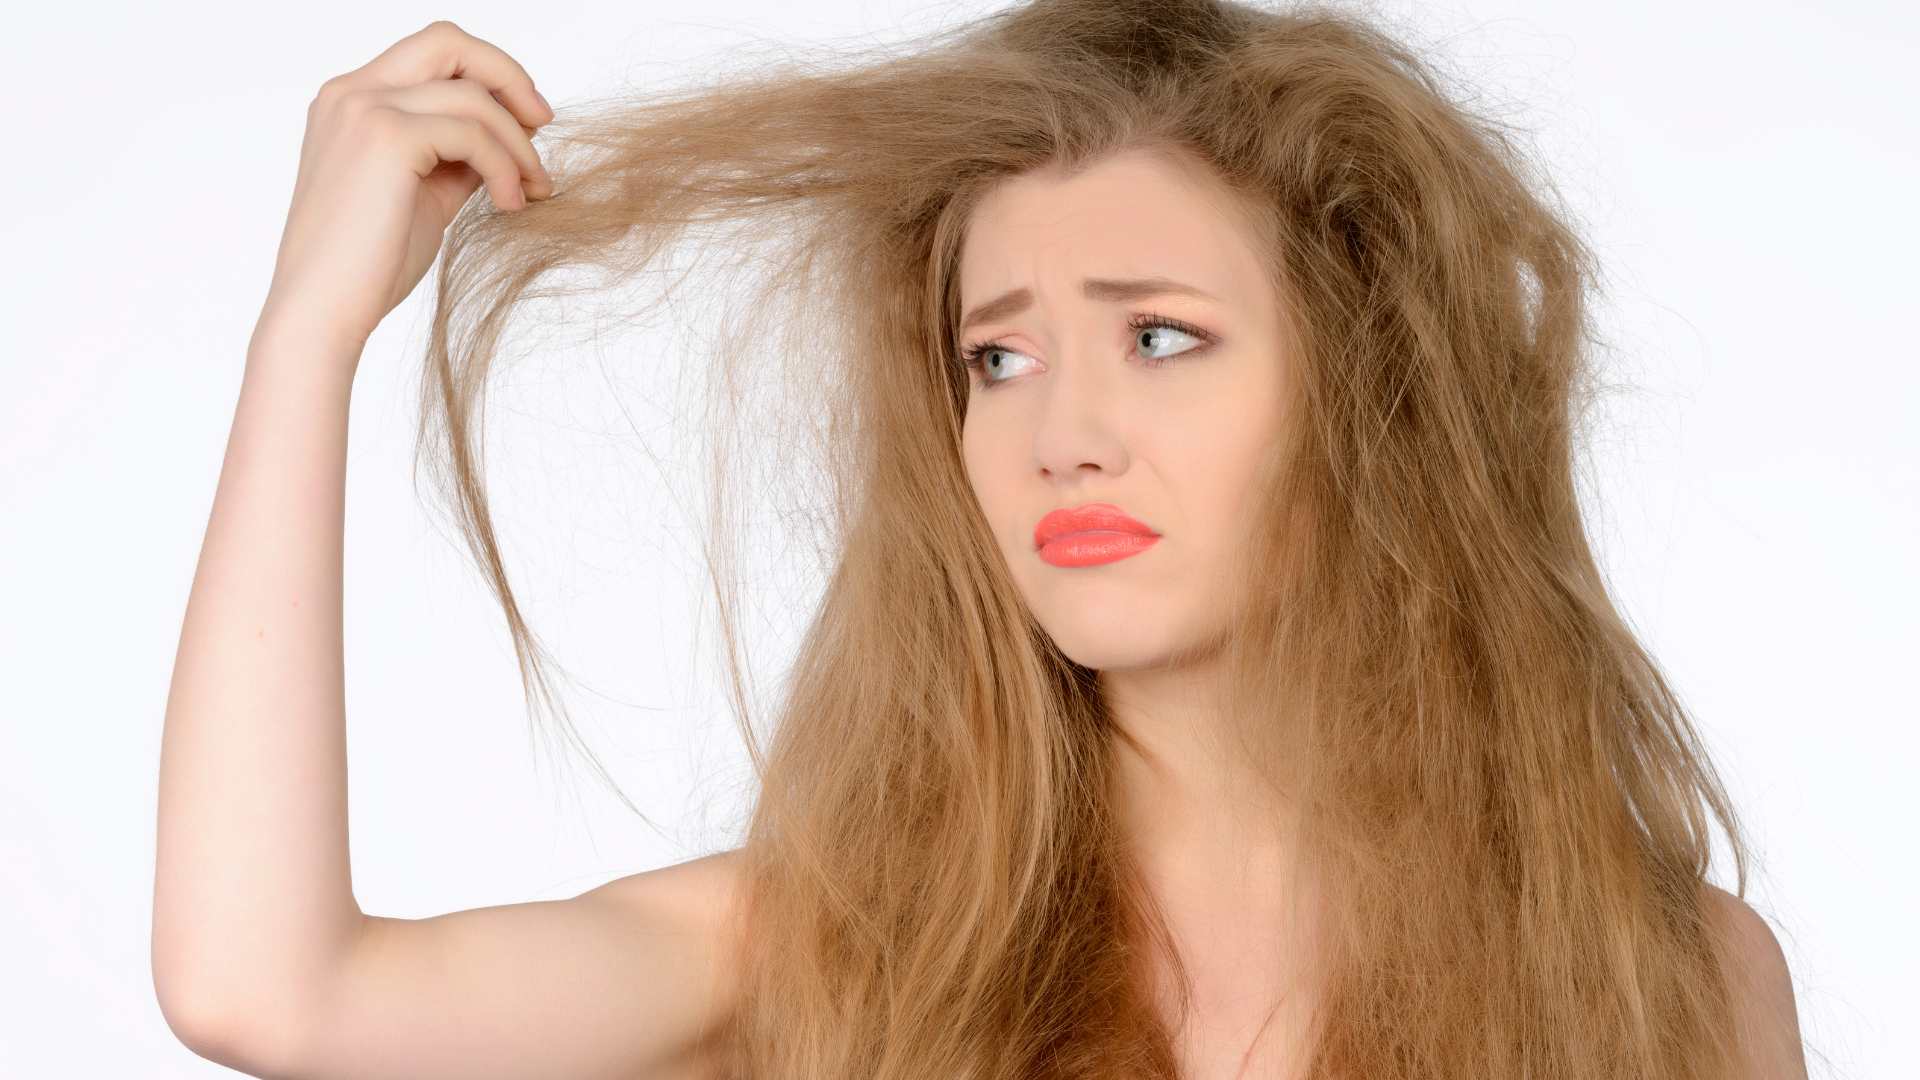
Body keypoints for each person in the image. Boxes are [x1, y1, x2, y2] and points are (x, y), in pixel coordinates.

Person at [151, 2, 1809, 1078]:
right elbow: (267, 990)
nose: (1056, 430)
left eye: (1159, 334)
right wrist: (305, 336)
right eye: (996, 356)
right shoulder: (838, 951)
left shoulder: (1662, 979)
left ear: (1371, 392)